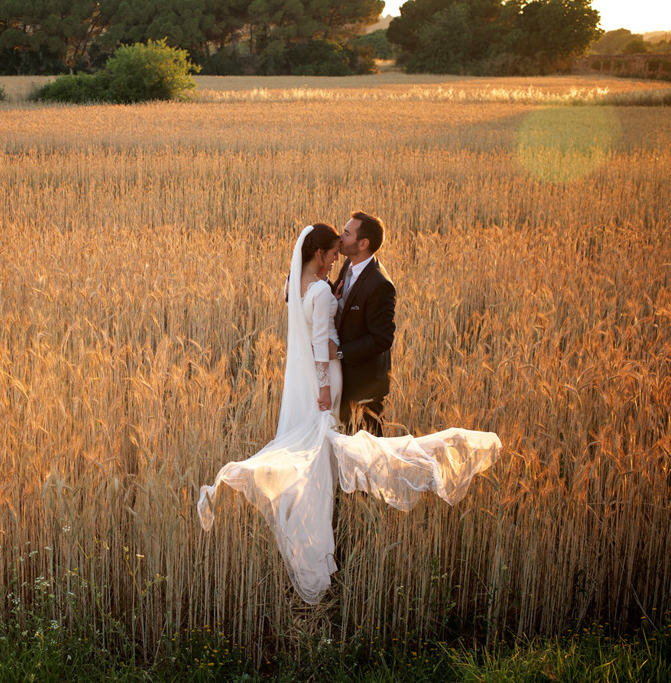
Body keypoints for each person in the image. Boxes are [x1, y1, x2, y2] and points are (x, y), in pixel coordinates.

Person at [198, 224, 501, 605]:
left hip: (336, 380)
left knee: (319, 450)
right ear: (321, 255)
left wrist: (329, 362)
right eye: (334, 245)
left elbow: (374, 337)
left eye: (347, 235)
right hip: (326, 380)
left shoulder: (307, 281)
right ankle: (325, 532)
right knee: (328, 450)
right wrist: (325, 385)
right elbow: (323, 338)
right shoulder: (326, 284)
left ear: (363, 243)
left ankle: (320, 526)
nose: (340, 247)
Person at [333, 211, 394, 436]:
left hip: (365, 385)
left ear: (363, 243)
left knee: (366, 459)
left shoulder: (380, 285)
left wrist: (339, 352)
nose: (341, 236)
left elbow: (382, 338)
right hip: (343, 378)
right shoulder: (349, 265)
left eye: (347, 233)